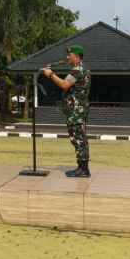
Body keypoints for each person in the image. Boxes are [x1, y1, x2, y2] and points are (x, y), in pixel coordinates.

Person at [40, 45, 92, 178]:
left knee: (79, 137)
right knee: (79, 137)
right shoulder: (84, 69)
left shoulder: (77, 70)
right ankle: (82, 167)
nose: (67, 57)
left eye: (70, 55)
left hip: (76, 110)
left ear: (77, 57)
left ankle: (83, 169)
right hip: (77, 109)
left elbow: (64, 84)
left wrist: (51, 74)